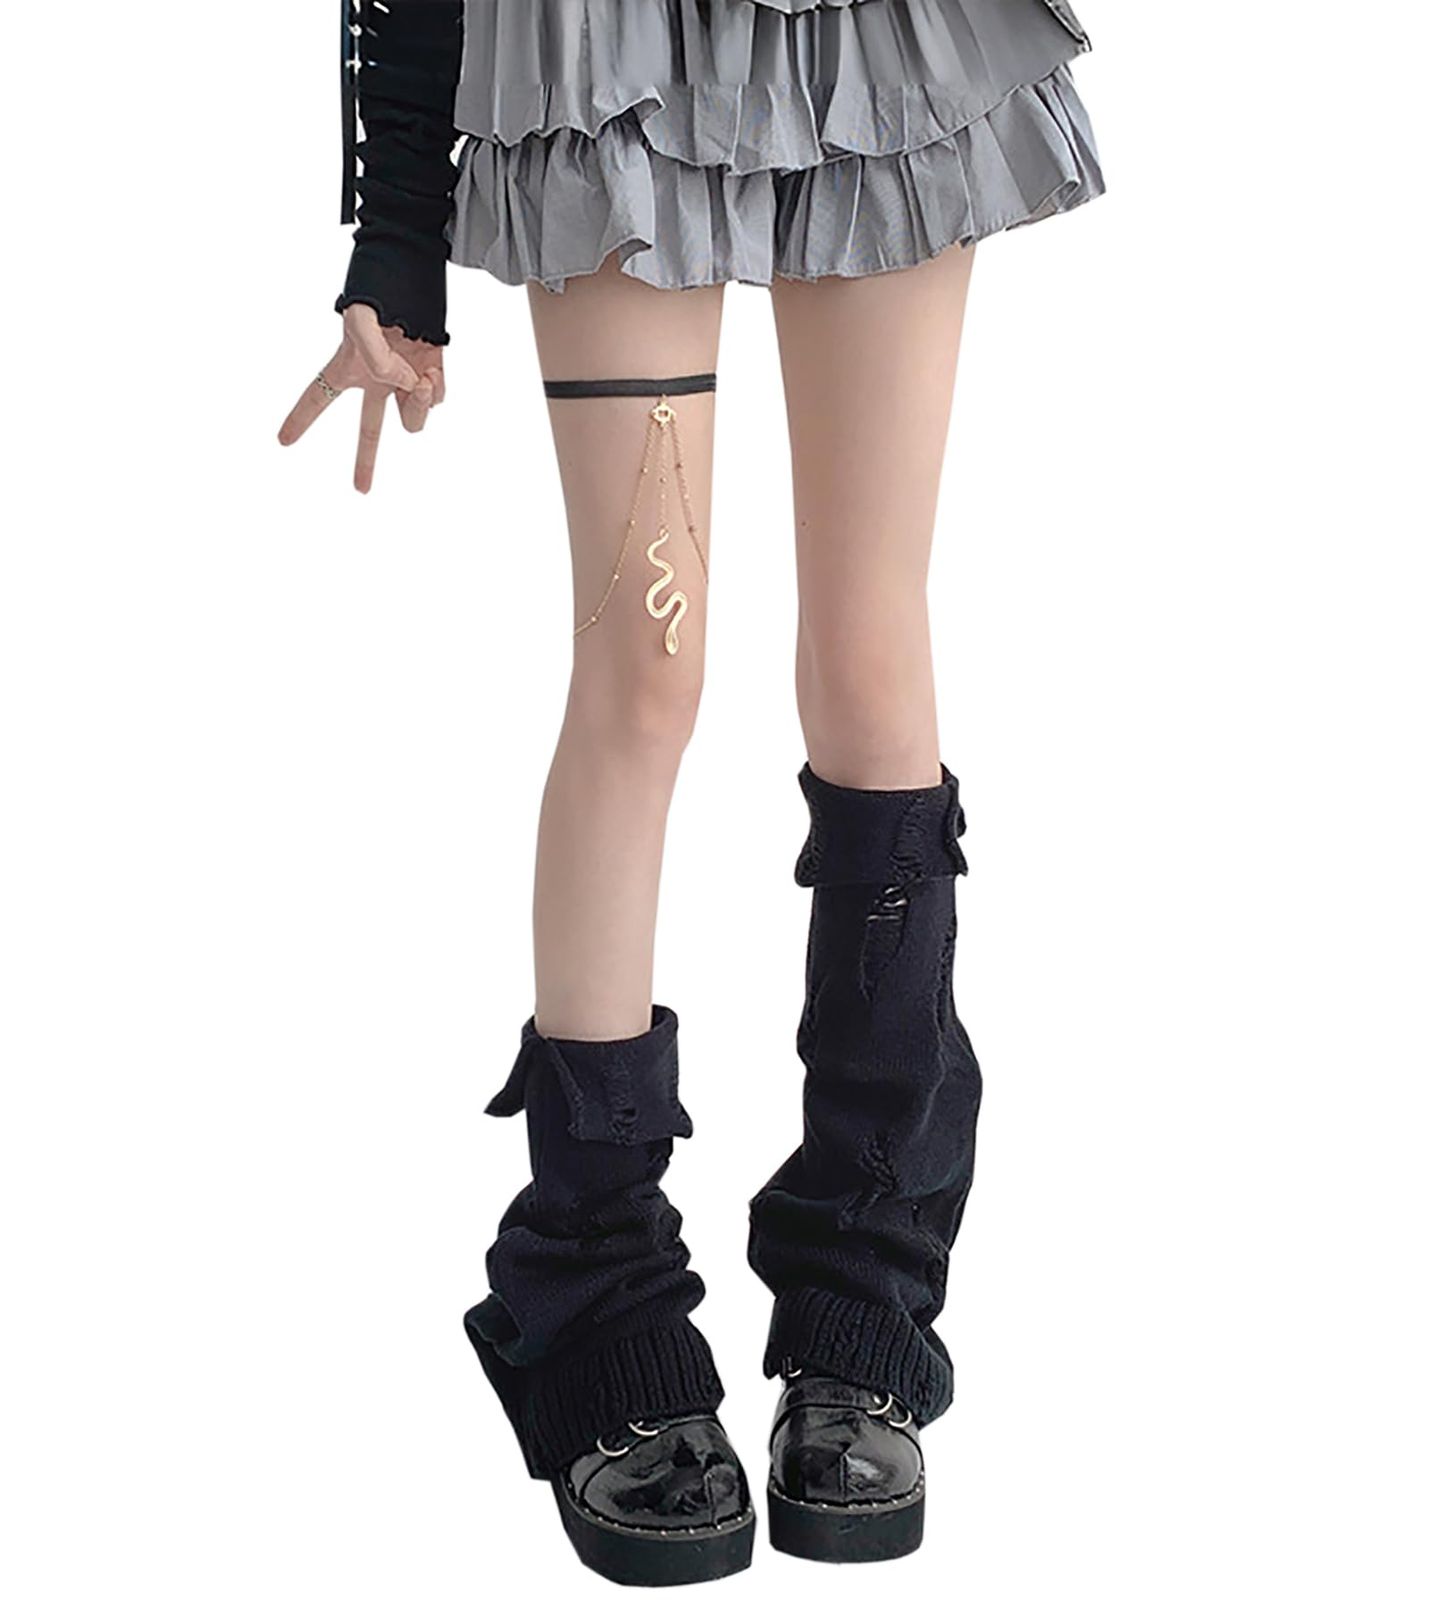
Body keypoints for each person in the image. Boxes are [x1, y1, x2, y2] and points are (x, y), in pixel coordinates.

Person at [279, 0, 1102, 1583]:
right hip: (600, 58)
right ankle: (596, 1298)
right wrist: (394, 242)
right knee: (645, 670)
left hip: (868, 42)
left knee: (872, 655)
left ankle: (864, 1304)